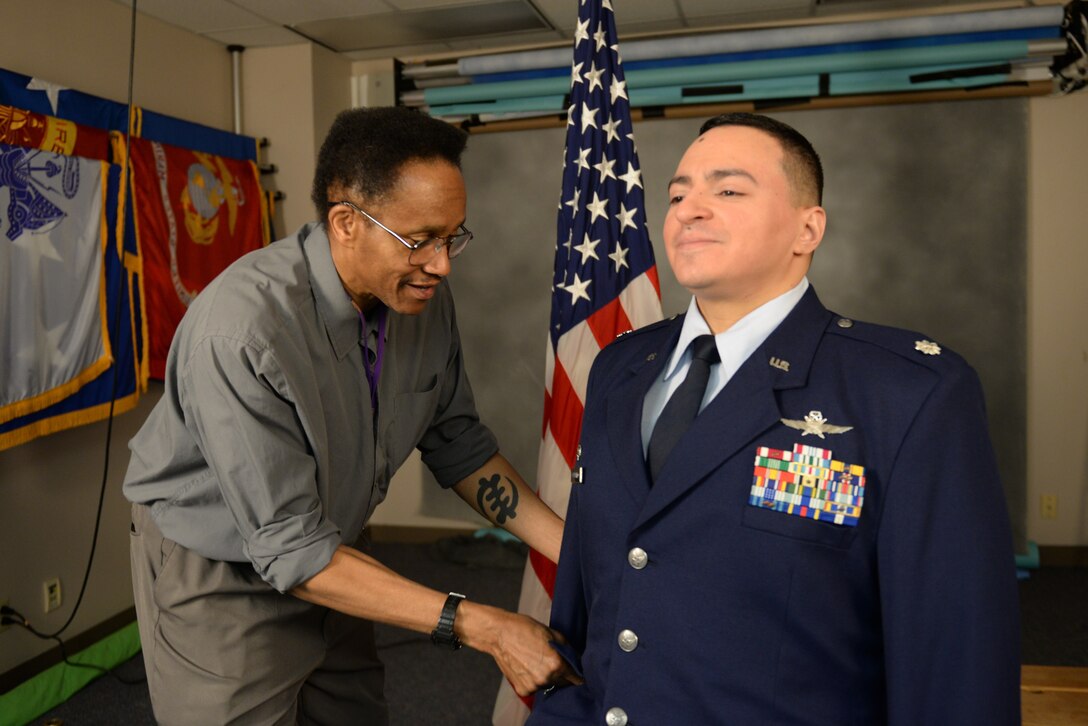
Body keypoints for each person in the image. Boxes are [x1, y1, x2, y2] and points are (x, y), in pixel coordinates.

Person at [528, 113, 1021, 725]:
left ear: (807, 229)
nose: (689, 209)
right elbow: (588, 591)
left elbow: (955, 656)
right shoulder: (619, 369)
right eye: (678, 193)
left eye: (728, 190)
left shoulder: (907, 392)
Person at [124, 106, 578, 725]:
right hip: (223, 576)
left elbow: (460, 445)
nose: (443, 264)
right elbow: (291, 551)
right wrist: (487, 626)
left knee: (351, 713)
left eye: (453, 238)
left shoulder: (419, 297)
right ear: (345, 223)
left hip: (336, 550)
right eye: (420, 240)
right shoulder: (241, 333)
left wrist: (575, 547)